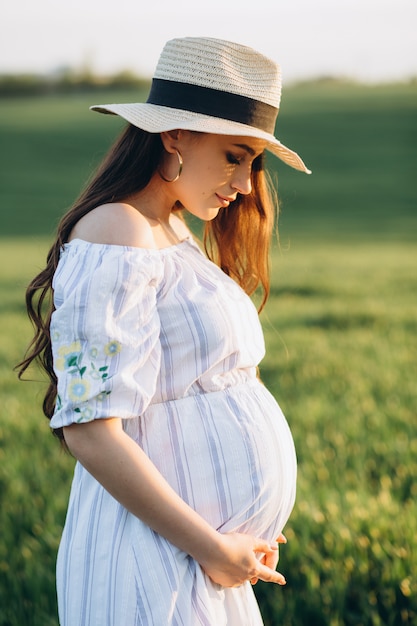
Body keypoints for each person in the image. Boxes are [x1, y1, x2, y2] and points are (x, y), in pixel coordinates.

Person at [18, 36, 310, 626]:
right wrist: (211, 546)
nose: (247, 184)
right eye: (234, 156)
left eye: (253, 162)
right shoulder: (115, 232)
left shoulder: (168, 230)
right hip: (155, 561)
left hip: (194, 558)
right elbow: (90, 430)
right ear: (174, 135)